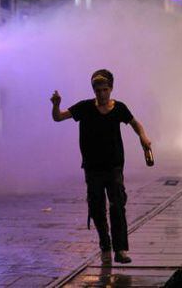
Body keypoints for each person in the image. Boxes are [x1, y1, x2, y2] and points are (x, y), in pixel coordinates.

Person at [50, 69, 152, 265]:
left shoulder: (119, 108)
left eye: (105, 90)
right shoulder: (84, 108)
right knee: (97, 208)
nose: (102, 94)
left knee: (117, 206)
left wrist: (143, 137)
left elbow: (135, 123)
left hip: (114, 166)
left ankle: (120, 249)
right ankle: (105, 244)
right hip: (92, 167)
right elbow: (58, 117)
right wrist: (56, 105)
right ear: (94, 91)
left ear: (111, 89)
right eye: (98, 91)